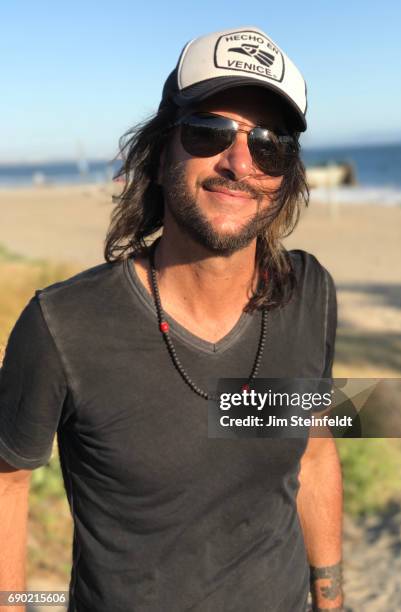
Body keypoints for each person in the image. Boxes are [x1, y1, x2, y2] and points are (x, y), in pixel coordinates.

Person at [0, 26, 343, 612]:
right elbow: (7, 482)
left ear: (285, 179)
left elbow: (313, 449)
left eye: (270, 144)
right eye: (208, 132)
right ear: (159, 157)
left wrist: (331, 599)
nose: (240, 162)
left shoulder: (307, 293)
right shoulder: (62, 324)